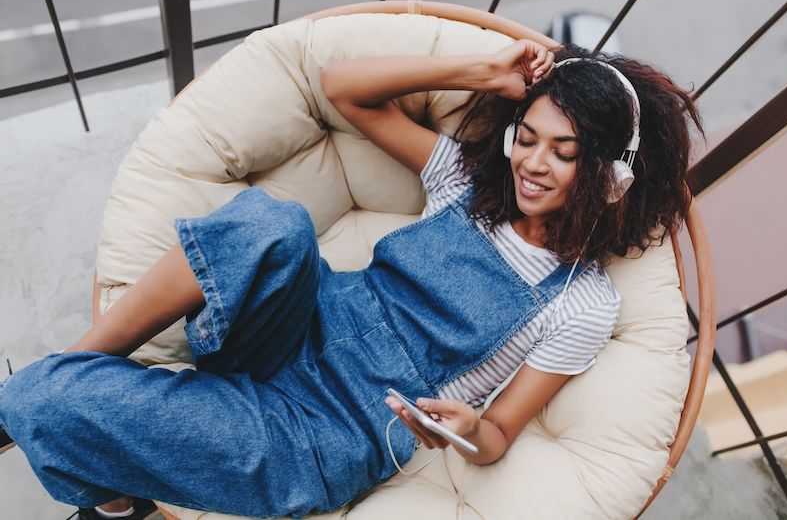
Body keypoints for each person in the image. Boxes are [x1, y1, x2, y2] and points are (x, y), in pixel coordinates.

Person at [0, 39, 701, 518]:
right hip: (296, 322)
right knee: (276, 224)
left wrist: (466, 427)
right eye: (528, 134)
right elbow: (342, 89)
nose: (532, 163)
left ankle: (114, 499)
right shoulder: (467, 182)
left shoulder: (581, 301)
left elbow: (497, 437)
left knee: (34, 400)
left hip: (328, 430)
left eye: (564, 151)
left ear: (610, 179)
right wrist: (487, 71)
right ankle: (88, 362)